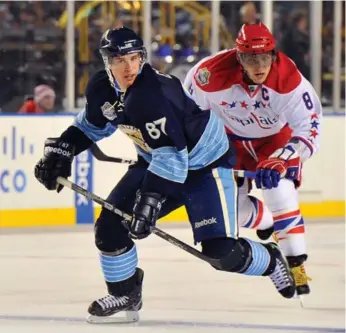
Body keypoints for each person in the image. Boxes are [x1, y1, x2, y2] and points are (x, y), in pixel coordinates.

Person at [34, 26, 295, 324]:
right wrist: (63, 149)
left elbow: (174, 156)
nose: (128, 67)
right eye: (119, 60)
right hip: (156, 161)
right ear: (107, 63)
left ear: (143, 58)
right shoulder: (101, 88)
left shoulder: (154, 94)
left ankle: (271, 258)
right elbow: (91, 126)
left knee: (222, 253)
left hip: (205, 168)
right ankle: (125, 295)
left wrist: (149, 201)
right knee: (110, 226)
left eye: (134, 58)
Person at [184, 23, 322, 298]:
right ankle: (267, 222)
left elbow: (309, 128)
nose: (259, 66)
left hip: (275, 140)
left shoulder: (288, 79)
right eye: (250, 58)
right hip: (228, 141)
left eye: (264, 57)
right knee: (232, 208)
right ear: (238, 57)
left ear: (274, 54)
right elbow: (187, 114)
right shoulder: (207, 75)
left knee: (279, 190)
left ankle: (297, 265)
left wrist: (282, 157)